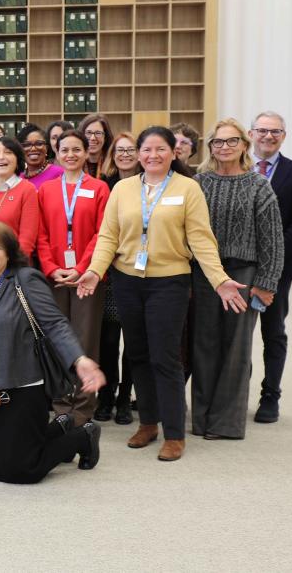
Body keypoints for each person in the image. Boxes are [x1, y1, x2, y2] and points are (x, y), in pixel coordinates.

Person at [77, 126, 248, 462]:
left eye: (160, 149)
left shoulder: (188, 188)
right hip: (127, 280)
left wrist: (219, 279)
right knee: (137, 353)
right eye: (146, 150)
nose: (152, 155)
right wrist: (95, 271)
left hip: (169, 282)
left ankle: (174, 433)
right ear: (137, 154)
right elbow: (108, 236)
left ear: (173, 152)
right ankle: (149, 423)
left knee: (165, 357)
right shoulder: (124, 189)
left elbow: (201, 239)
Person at [0, 222, 105, 483]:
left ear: (9, 252)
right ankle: (60, 426)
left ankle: (83, 436)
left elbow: (55, 323)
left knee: (21, 469)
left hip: (24, 385)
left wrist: (79, 359)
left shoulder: (25, 279)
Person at [191, 119, 283, 440]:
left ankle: (226, 423)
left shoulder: (259, 185)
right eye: (218, 142)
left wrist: (267, 284)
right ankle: (201, 418)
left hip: (244, 274)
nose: (225, 147)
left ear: (244, 145)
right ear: (211, 148)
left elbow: (272, 239)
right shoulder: (198, 183)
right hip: (204, 274)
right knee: (203, 345)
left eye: (231, 142)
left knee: (236, 349)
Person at [36, 130, 110, 426]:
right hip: (53, 275)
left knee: (85, 339)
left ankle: (82, 407)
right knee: (55, 339)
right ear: (57, 153)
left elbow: (102, 234)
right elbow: (40, 233)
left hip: (87, 276)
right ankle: (61, 404)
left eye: (76, 149)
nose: (70, 155)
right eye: (64, 149)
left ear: (86, 152)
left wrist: (80, 268)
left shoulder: (100, 188)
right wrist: (52, 267)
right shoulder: (46, 189)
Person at [248, 110, 292, 423]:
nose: (268, 136)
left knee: (273, 331)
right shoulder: (239, 169)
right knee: (235, 336)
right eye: (262, 130)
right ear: (251, 134)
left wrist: (269, 254)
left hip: (279, 269)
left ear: (283, 136)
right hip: (239, 267)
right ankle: (232, 394)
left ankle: (270, 395)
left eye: (275, 132)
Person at [95, 131, 140, 423]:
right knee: (109, 341)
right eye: (119, 150)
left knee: (133, 342)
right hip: (111, 273)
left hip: (139, 273)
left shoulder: (148, 184)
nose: (124, 154)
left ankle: (126, 397)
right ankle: (106, 395)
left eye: (130, 149)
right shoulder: (104, 186)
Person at [18, 124, 65, 189]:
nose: (33, 148)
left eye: (39, 144)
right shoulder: (18, 177)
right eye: (27, 145)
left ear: (46, 148)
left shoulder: (59, 173)